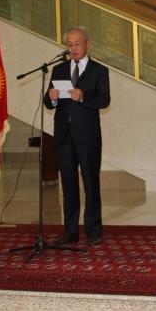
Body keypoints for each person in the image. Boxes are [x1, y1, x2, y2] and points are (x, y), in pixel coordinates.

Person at [45, 27, 111, 245]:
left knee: (90, 182)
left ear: (87, 44)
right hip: (64, 135)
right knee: (68, 184)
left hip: (88, 136)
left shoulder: (99, 70)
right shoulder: (59, 69)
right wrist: (52, 98)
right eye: (69, 44)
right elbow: (48, 102)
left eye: (77, 44)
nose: (73, 48)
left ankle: (93, 231)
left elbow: (104, 100)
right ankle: (70, 231)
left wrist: (83, 97)